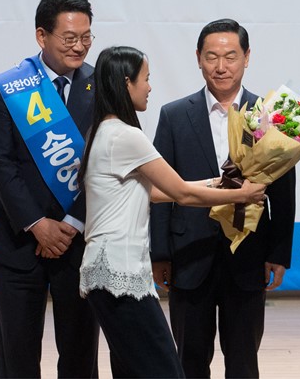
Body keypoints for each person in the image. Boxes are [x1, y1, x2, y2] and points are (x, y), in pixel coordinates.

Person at [78, 45, 266, 378]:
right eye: (146, 79)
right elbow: (181, 192)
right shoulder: (126, 136)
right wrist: (241, 194)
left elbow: (152, 192)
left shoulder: (103, 131)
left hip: (104, 271)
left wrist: (219, 181)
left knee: (132, 370)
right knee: (166, 370)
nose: (150, 87)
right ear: (126, 83)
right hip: (120, 270)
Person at [149, 18, 296, 378]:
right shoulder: (174, 115)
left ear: (247, 57)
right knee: (189, 358)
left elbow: (284, 192)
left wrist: (278, 253)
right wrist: (160, 253)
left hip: (248, 255)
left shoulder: (272, 116)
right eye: (212, 57)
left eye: (230, 56)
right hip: (189, 255)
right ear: (198, 58)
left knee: (244, 359)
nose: (221, 66)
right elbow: (161, 188)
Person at [0, 0, 99, 378]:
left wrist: (72, 222)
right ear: (41, 36)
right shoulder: (10, 86)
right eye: (69, 38)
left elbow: (108, 164)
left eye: (86, 37)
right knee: (17, 358)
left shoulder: (103, 85)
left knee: (81, 357)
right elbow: (0, 160)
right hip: (17, 240)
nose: (79, 46)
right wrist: (37, 223)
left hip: (78, 243)